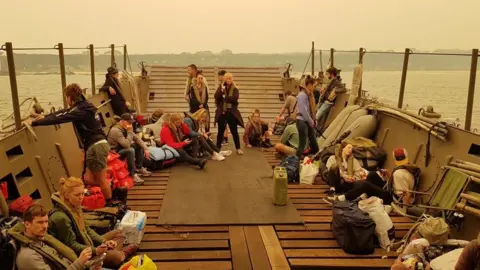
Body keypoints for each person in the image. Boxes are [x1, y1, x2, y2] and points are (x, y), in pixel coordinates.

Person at [31, 83, 113, 205]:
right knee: (87, 179)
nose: (66, 100)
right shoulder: (85, 106)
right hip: (95, 145)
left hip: (96, 146)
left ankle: (111, 203)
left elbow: (61, 117)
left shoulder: (80, 110)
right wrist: (43, 117)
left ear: (70, 97)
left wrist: (36, 123)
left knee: (101, 179)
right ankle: (109, 184)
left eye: (66, 97)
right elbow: (63, 112)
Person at [48, 177, 138, 269]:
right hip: (82, 255)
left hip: (89, 243)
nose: (81, 197)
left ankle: (114, 254)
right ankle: (120, 255)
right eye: (77, 195)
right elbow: (71, 245)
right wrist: (96, 251)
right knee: (116, 257)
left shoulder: (74, 206)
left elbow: (87, 229)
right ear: (66, 195)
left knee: (119, 232)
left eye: (83, 193)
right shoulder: (60, 217)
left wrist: (105, 242)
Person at [10, 204, 98, 270]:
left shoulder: (42, 241)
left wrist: (88, 265)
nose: (45, 226)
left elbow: (63, 262)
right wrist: (80, 263)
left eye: (46, 222)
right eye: (40, 222)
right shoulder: (28, 256)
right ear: (27, 224)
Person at [107, 113, 151, 185]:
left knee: (138, 145)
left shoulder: (126, 128)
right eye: (129, 122)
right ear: (123, 121)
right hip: (115, 152)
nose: (130, 124)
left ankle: (139, 167)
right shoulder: (116, 130)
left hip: (122, 148)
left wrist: (146, 149)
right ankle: (132, 174)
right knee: (130, 150)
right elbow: (126, 145)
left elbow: (137, 139)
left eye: (131, 122)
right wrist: (130, 131)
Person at [214, 72, 244, 154]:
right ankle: (217, 148)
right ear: (224, 79)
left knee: (234, 131)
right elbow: (216, 97)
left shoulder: (235, 89)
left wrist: (225, 97)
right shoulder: (221, 87)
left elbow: (235, 99)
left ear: (232, 79)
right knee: (220, 131)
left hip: (231, 112)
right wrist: (221, 90)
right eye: (226, 78)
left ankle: (238, 148)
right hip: (222, 112)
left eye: (229, 78)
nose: (228, 80)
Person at [295, 76, 319, 157]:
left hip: (306, 121)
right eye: (313, 86)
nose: (313, 88)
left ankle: (316, 155)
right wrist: (311, 121)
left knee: (313, 140)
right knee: (302, 144)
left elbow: (310, 110)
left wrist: (313, 120)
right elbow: (303, 111)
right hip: (302, 121)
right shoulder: (302, 95)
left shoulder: (308, 95)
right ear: (308, 85)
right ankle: (295, 160)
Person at [315, 67, 343, 132]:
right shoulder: (331, 81)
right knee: (320, 118)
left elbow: (343, 89)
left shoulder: (335, 81)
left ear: (332, 74)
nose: (326, 75)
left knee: (317, 117)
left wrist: (336, 91)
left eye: (327, 74)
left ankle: (314, 132)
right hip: (324, 101)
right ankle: (317, 132)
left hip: (328, 102)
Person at [217, 70, 230, 145]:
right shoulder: (222, 84)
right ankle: (224, 139)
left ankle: (225, 139)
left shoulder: (225, 85)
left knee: (224, 124)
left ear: (222, 76)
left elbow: (224, 97)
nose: (218, 77)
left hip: (225, 107)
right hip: (222, 106)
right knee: (224, 124)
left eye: (219, 75)